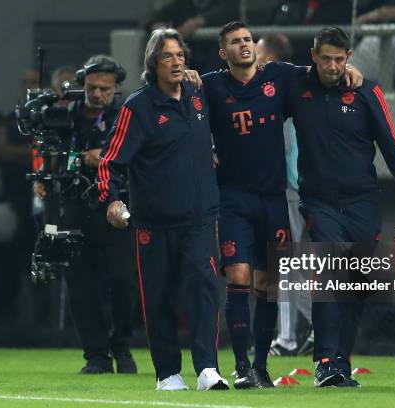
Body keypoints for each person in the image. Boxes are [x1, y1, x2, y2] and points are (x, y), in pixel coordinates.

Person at [195, 21, 362, 389]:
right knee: (238, 276)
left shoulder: (280, 76)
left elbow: (321, 71)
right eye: (235, 42)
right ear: (224, 53)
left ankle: (260, 366)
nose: (243, 45)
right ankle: (240, 366)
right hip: (233, 198)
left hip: (273, 198)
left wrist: (349, 68)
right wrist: (202, 150)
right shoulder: (209, 85)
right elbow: (186, 116)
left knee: (269, 284)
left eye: (246, 39)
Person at [286, 27, 395, 387]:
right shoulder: (296, 87)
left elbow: (394, 148)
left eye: (339, 59)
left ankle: (341, 361)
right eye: (325, 58)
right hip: (319, 202)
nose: (332, 65)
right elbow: (257, 92)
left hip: (362, 204)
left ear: (349, 57)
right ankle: (324, 361)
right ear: (313, 56)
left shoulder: (366, 92)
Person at [97, 28, 229, 391]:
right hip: (153, 223)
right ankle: (167, 374)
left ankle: (207, 369)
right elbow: (111, 161)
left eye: (180, 55)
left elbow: (239, 81)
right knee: (159, 298)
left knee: (204, 288)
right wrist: (111, 199)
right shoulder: (137, 107)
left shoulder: (198, 94)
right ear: (153, 62)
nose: (176, 62)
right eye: (167, 56)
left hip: (201, 218)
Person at [34, 55, 138, 375]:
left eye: (105, 89)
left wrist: (106, 157)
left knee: (125, 280)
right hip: (73, 206)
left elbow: (138, 156)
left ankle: (120, 343)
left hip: (114, 204)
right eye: (92, 88)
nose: (98, 95)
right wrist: (43, 176)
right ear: (82, 85)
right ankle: (96, 355)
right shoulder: (63, 117)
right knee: (79, 284)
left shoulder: (126, 116)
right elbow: (49, 152)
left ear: (116, 88)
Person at [255, 33, 312, 357]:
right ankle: (320, 324)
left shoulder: (281, 91)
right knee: (295, 264)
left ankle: (288, 338)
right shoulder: (286, 88)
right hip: (293, 188)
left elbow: (287, 147)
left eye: (261, 57)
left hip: (290, 188)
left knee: (285, 263)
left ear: (272, 60)